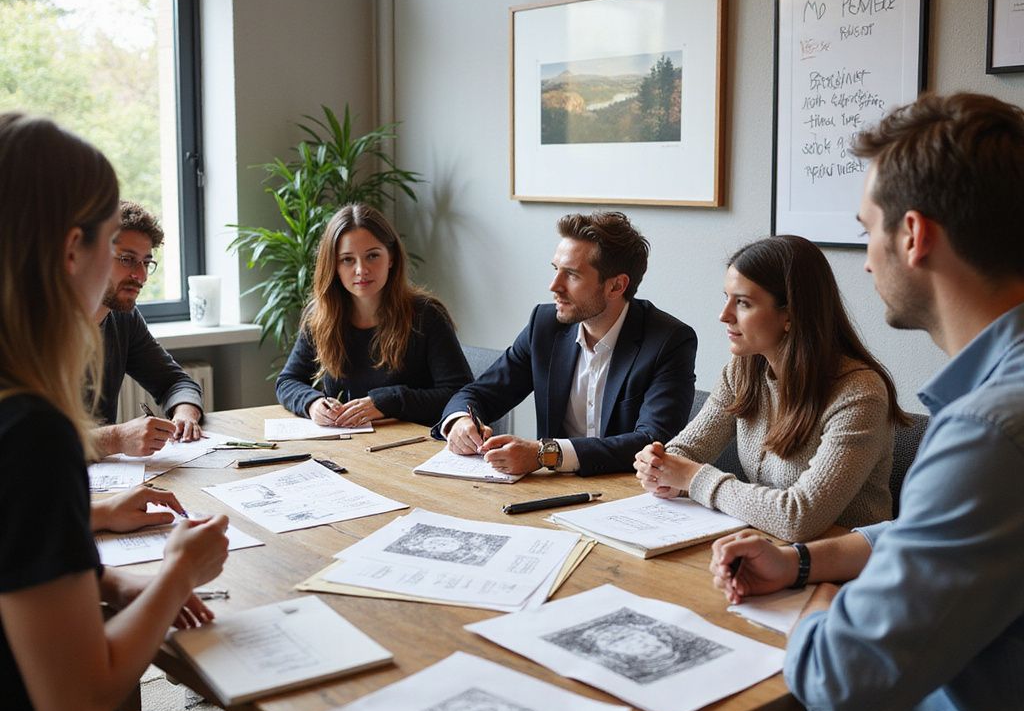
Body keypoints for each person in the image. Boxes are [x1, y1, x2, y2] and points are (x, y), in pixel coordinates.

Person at [607, 91, 1024, 711]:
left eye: (865, 231)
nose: (863, 259)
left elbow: (846, 681)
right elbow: (926, 532)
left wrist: (816, 598)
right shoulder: (996, 414)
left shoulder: (984, 429)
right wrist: (805, 560)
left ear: (914, 234)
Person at [0, 113, 328, 711]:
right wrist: (178, 573)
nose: (130, 272)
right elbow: (81, 705)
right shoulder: (33, 433)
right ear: (70, 249)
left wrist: (108, 577)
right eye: (113, 245)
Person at [634, 234, 905, 542]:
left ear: (790, 314)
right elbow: (687, 450)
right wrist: (658, 463)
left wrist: (692, 477)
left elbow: (799, 517)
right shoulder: (743, 369)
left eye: (743, 303)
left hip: (847, 571)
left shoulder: (859, 393)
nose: (724, 316)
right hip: (769, 550)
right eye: (726, 297)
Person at [436, 211, 697, 477]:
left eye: (571, 275)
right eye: (555, 270)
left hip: (629, 494)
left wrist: (545, 454)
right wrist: (460, 421)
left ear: (616, 286)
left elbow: (652, 441)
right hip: (553, 492)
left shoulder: (669, 341)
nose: (554, 286)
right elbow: (478, 394)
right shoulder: (545, 326)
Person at [276, 203, 473, 426]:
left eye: (372, 256)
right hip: (348, 446)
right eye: (347, 259)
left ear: (391, 258)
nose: (361, 270)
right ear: (334, 266)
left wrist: (386, 402)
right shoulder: (321, 316)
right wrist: (311, 403)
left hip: (414, 448)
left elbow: (460, 394)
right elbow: (288, 381)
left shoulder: (426, 315)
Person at [92, 200, 205, 458]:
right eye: (127, 259)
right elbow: (26, 439)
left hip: (100, 479)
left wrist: (185, 415)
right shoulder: (36, 325)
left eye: (146, 263)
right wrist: (117, 438)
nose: (140, 276)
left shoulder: (123, 318)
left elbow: (175, 382)